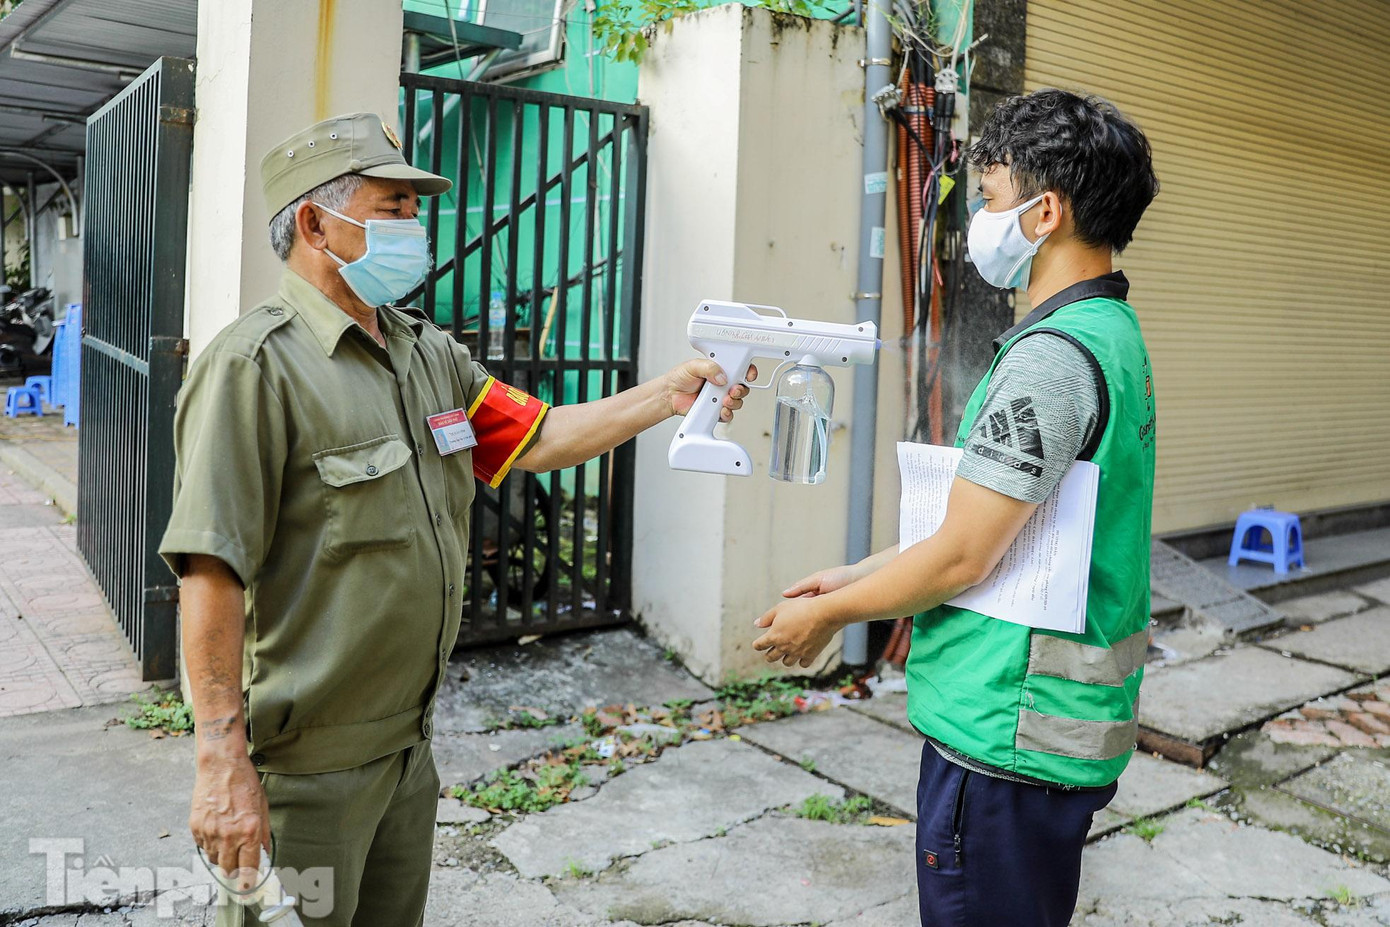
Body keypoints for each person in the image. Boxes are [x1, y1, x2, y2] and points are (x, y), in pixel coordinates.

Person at [159, 112, 753, 926]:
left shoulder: (425, 353)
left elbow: (539, 435)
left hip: (408, 758)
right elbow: (211, 568)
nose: (416, 226)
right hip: (303, 773)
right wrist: (220, 757)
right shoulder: (254, 367)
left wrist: (665, 394)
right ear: (314, 222)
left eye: (415, 207)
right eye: (393, 207)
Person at [750, 88, 1160, 926]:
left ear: (1045, 212)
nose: (979, 214)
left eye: (991, 196)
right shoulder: (1112, 332)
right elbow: (999, 521)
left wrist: (828, 616)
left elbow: (965, 555)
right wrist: (856, 572)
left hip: (1005, 732)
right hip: (1045, 727)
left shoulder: (1052, 359)